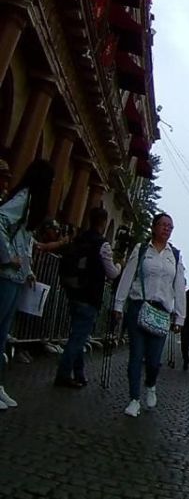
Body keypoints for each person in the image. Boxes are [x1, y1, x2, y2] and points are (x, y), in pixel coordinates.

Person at [112, 213, 187, 418]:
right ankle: (134, 398)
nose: (166, 229)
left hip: (161, 312)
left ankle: (151, 384)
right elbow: (128, 276)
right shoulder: (142, 250)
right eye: (163, 225)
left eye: (170, 227)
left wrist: (180, 317)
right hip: (139, 305)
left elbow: (179, 287)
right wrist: (118, 305)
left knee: (154, 359)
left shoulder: (175, 256)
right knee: (136, 354)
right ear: (154, 227)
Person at [0, 160, 53, 410]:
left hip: (15, 275)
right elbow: (1, 221)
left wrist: (28, 269)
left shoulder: (29, 201)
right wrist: (8, 256)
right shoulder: (24, 198)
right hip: (5, 273)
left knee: (3, 331)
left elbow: (24, 237)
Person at [55, 206, 119, 388]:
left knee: (78, 334)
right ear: (104, 222)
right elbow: (112, 273)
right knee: (78, 338)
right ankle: (63, 374)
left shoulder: (80, 238)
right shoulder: (102, 244)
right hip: (90, 295)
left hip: (74, 291)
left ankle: (80, 373)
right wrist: (120, 266)